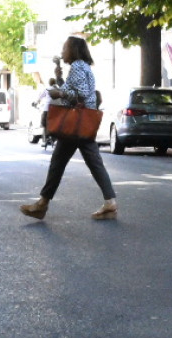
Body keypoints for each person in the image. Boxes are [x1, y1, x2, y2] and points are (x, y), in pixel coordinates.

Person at [21, 35, 117, 221]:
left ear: (73, 50)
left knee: (58, 163)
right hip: (84, 122)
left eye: (65, 48)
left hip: (76, 124)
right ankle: (110, 202)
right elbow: (77, 90)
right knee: (93, 164)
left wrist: (59, 93)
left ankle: (42, 205)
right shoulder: (83, 66)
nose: (62, 51)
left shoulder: (77, 66)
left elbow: (81, 94)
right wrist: (59, 79)